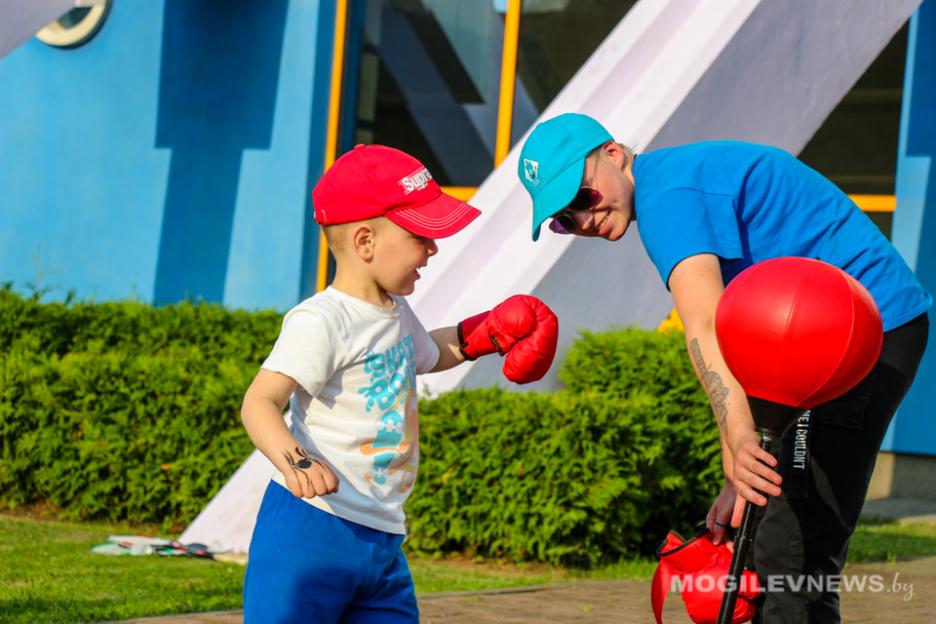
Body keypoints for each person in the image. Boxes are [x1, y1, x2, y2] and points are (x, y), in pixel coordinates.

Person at [517, 113, 930, 623]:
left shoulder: (668, 197)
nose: (582, 221)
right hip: (810, 342)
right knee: (760, 532)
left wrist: (739, 435)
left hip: (864, 331)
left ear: (613, 155)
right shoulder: (671, 184)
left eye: (581, 199)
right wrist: (738, 464)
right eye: (563, 219)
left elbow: (705, 326)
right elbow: (741, 343)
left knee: (792, 550)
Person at [241, 144, 558, 623]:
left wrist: (489, 331)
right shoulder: (321, 320)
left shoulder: (394, 311)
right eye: (420, 236)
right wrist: (297, 461)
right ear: (365, 241)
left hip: (382, 537)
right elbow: (260, 402)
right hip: (312, 530)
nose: (433, 249)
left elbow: (428, 355)